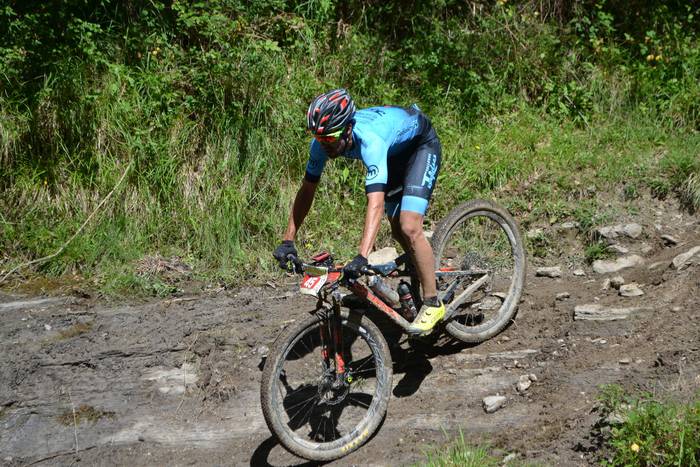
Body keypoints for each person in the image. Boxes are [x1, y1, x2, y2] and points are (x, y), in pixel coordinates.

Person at [273, 88, 443, 335]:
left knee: (409, 226)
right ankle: (421, 272)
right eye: (319, 139)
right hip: (393, 153)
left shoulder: (370, 141)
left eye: (330, 139)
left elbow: (375, 202)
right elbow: (307, 189)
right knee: (397, 230)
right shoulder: (322, 142)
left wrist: (363, 256)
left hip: (420, 146)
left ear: (348, 129)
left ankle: (432, 301)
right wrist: (288, 240)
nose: (324, 145)